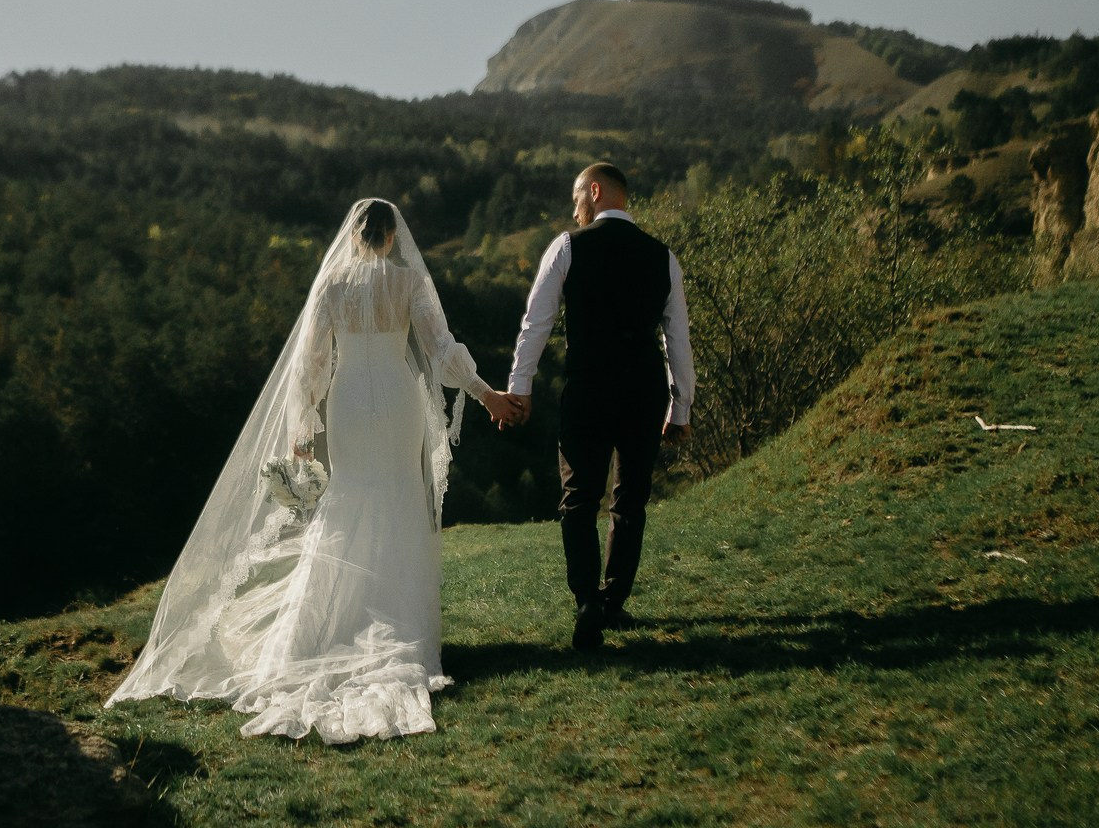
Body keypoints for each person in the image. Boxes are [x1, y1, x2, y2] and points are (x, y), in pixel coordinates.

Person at [108, 199, 518, 743]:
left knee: (348, 500)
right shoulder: (408, 286)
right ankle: (400, 627)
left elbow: (310, 365)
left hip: (347, 404)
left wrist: (302, 430)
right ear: (393, 238)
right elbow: (440, 351)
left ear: (353, 237)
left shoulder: (332, 288)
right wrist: (486, 394)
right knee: (395, 497)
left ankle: (325, 632)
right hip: (397, 403)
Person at [501, 163, 694, 652]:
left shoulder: (568, 246)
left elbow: (535, 323)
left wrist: (520, 386)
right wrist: (681, 406)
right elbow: (677, 340)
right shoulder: (662, 256)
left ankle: (587, 601)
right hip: (644, 390)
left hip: (589, 386)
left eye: (576, 200)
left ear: (594, 191)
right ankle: (613, 601)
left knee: (579, 498)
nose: (574, 211)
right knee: (630, 499)